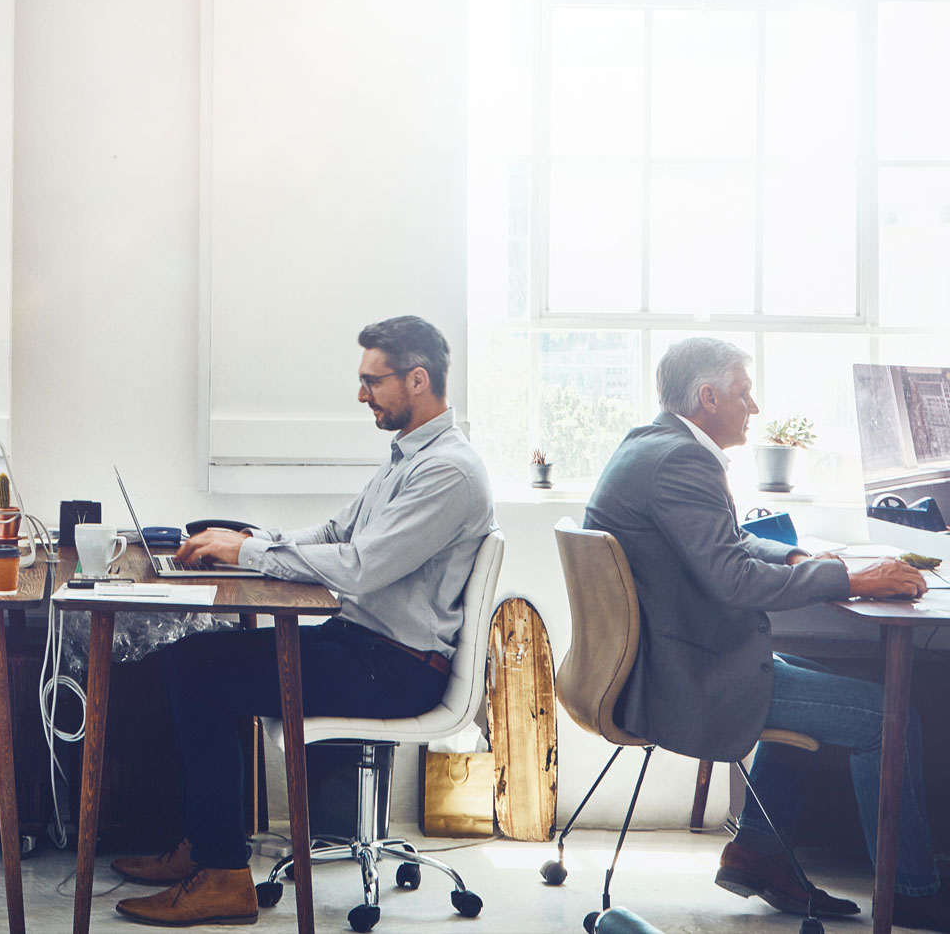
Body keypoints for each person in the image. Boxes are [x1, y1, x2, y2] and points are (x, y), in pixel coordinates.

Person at [111, 316, 496, 927]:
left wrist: (250, 555)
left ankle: (222, 877)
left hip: (396, 667)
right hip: (366, 646)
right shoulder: (411, 455)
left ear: (417, 380)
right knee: (196, 660)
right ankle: (208, 848)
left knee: (197, 672)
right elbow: (338, 533)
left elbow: (363, 566)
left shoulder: (448, 472)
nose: (362, 395)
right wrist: (253, 539)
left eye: (373, 381)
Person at [583, 337, 950, 929]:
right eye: (743, 393)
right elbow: (731, 579)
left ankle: (759, 851)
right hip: (691, 681)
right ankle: (908, 887)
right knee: (889, 716)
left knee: (815, 674)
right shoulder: (683, 462)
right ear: (707, 397)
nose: (753, 408)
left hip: (667, 665)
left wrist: (798, 557)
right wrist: (848, 578)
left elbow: (725, 543)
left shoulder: (652, 445)